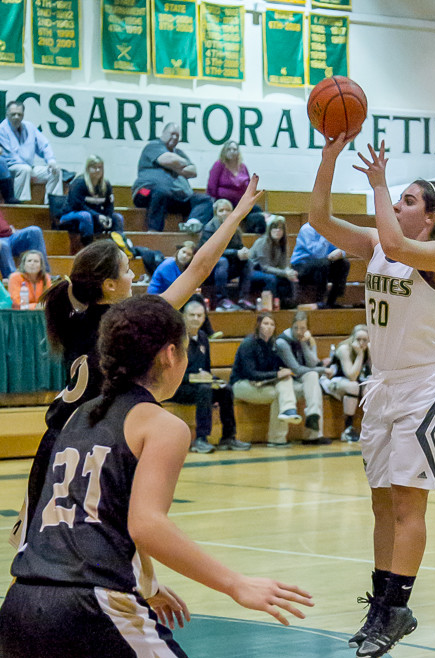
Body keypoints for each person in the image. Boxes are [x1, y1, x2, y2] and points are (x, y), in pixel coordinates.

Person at [0, 293, 313, 658]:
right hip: (89, 606)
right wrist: (236, 584)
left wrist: (144, 582)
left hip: (24, 601)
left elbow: (87, 515)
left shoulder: (77, 420)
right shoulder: (163, 425)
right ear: (170, 354)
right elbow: (145, 523)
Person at [10, 178, 263, 553]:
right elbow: (198, 270)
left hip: (56, 444)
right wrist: (237, 215)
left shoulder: (75, 318)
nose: (134, 276)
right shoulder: (128, 321)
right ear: (110, 286)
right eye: (127, 271)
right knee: (106, 546)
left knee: (34, 549)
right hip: (88, 448)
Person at [310, 134, 435, 658]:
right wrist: (329, 160)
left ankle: (399, 606)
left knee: (406, 501)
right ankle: (380, 605)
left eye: (408, 201)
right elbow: (320, 219)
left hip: (425, 387)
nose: (396, 205)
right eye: (396, 198)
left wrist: (377, 182)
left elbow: (397, 245)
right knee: (380, 503)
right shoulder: (379, 244)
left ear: (433, 215)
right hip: (382, 387)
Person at [172, 300, 251, 453]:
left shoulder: (202, 337)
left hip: (200, 386)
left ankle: (228, 437)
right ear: (183, 317)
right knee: (204, 389)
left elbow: (206, 369)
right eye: (192, 315)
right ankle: (201, 438)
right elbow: (170, 374)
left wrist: (214, 380)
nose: (195, 318)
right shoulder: (176, 340)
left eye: (199, 315)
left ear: (203, 318)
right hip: (178, 388)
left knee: (225, 389)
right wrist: (195, 377)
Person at [230, 313, 302, 447]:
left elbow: (280, 368)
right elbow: (250, 373)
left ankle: (289, 411)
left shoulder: (274, 345)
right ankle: (277, 437)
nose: (269, 327)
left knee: (285, 380)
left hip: (262, 383)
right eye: (265, 323)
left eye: (272, 324)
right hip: (241, 384)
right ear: (258, 325)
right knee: (278, 394)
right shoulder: (248, 343)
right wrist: (276, 375)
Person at [132, 122, 213, 232]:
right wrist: (181, 166)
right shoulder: (153, 146)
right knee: (161, 191)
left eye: (177, 136)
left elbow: (193, 171)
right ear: (163, 133)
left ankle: (192, 224)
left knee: (205, 200)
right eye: (172, 134)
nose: (174, 137)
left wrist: (175, 165)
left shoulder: (179, 152)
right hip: (145, 193)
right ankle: (153, 231)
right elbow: (167, 159)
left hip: (173, 196)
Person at [275, 311, 333, 445]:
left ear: (307, 329)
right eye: (296, 328)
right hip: (287, 382)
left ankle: (312, 426)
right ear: (291, 326)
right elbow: (296, 369)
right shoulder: (282, 342)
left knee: (313, 378)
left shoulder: (307, 340)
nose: (299, 331)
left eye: (303, 328)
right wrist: (323, 370)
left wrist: (306, 344)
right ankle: (313, 433)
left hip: (302, 380)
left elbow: (314, 363)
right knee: (313, 382)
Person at [0, 100, 63, 202]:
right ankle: (21, 205)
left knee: (55, 171)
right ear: (7, 114)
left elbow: (44, 144)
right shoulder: (2, 129)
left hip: (29, 167)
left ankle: (53, 204)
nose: (16, 117)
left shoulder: (29, 126)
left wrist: (51, 161)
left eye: (19, 114)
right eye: (13, 114)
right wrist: (29, 171)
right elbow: (12, 157)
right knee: (24, 170)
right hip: (11, 169)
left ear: (23, 115)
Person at [199, 198, 256, 311]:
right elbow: (212, 251)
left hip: (227, 268)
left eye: (228, 210)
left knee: (247, 262)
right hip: (210, 268)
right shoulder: (209, 228)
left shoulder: (235, 228)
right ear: (216, 213)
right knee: (222, 261)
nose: (225, 213)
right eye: (221, 210)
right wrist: (235, 253)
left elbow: (239, 247)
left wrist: (244, 251)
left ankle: (243, 299)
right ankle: (221, 300)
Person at [59, 155, 124, 246]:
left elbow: (109, 205)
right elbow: (78, 205)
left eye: (100, 168)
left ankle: (119, 246)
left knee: (117, 217)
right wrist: (97, 216)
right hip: (71, 215)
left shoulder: (106, 184)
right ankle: (88, 246)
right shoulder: (79, 183)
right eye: (94, 167)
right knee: (85, 216)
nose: (97, 170)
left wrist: (108, 217)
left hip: (94, 216)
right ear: (88, 169)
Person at [320, 324, 371, 442]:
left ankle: (371, 428)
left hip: (350, 382)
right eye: (358, 339)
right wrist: (360, 355)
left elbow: (374, 373)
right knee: (353, 386)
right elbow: (352, 376)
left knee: (370, 389)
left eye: (365, 340)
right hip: (332, 381)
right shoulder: (344, 349)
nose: (361, 343)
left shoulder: (368, 348)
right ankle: (347, 429)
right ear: (352, 338)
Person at [207, 141, 266, 233]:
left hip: (240, 202)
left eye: (234, 149)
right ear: (224, 151)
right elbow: (212, 186)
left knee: (257, 211)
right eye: (229, 149)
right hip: (225, 202)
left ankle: (253, 236)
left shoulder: (243, 167)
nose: (232, 151)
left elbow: (249, 186)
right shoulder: (219, 165)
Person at [290, 222, 350, 308]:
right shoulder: (307, 229)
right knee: (323, 263)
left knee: (344, 263)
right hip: (301, 266)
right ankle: (319, 301)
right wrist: (325, 234)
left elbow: (338, 247)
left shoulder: (328, 228)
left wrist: (340, 252)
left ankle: (331, 301)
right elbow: (316, 254)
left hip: (321, 265)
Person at [248, 215, 298, 308]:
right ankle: (271, 306)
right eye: (274, 228)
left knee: (289, 279)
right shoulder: (262, 242)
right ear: (269, 229)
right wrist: (284, 273)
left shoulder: (283, 244)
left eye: (280, 228)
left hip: (268, 271)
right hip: (252, 271)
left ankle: (288, 305)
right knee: (271, 278)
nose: (277, 231)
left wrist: (289, 272)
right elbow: (264, 267)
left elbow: (284, 265)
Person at [0, 206, 50, 279]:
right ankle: (14, 279)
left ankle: (43, 275)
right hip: (2, 242)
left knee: (34, 231)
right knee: (3, 244)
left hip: (10, 236)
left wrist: (9, 229)